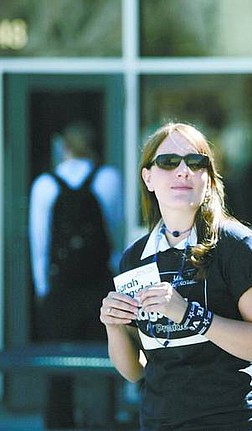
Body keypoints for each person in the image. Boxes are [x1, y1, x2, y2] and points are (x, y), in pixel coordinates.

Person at [99, 122, 252, 430]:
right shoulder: (135, 258)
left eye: (196, 162)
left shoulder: (236, 245)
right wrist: (113, 327)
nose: (183, 170)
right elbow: (137, 371)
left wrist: (188, 314)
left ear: (208, 178)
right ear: (148, 177)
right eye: (168, 162)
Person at [29, 121, 123, 429]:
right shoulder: (108, 178)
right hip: (100, 286)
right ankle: (101, 423)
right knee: (104, 364)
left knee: (58, 370)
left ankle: (59, 424)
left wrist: (43, 289)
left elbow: (39, 242)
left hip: (61, 287)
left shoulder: (45, 184)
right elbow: (117, 235)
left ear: (64, 146)